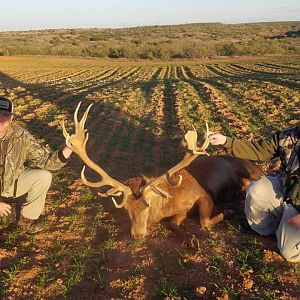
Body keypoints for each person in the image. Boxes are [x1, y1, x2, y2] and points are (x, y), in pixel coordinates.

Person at [207, 125, 300, 262]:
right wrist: (225, 141)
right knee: (257, 189)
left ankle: (286, 231)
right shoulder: (288, 136)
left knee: (289, 252)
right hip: (288, 191)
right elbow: (260, 150)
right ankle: (271, 230)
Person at [0, 96, 72, 234]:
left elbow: (46, 161)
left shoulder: (21, 135)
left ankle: (27, 220)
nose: (0, 119)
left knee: (43, 177)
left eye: (5, 115)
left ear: (12, 118)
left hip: (10, 184)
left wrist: (69, 148)